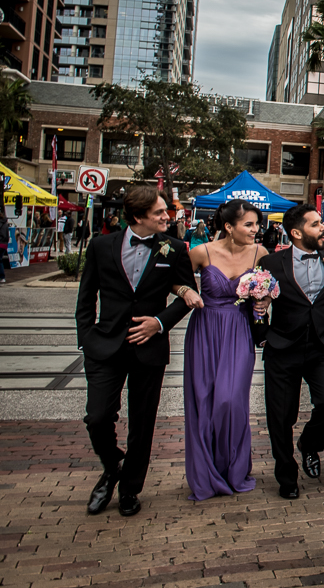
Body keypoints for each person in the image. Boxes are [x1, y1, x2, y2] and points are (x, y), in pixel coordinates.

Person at [74, 186, 196, 517]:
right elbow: (86, 297)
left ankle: (130, 489)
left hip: (149, 348)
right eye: (159, 212)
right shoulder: (101, 246)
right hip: (105, 345)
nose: (166, 217)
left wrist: (159, 322)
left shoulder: (174, 248)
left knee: (142, 423)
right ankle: (113, 465)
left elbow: (188, 295)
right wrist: (86, 337)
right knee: (97, 417)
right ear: (138, 217)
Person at [257, 204, 324, 499]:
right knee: (281, 416)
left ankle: (310, 443)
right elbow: (258, 299)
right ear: (297, 232)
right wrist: (262, 335)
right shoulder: (272, 263)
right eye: (315, 224)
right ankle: (286, 475)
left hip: (322, 347)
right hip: (283, 347)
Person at [180, 200, 267, 501]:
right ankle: (206, 473)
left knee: (230, 401)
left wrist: (267, 300)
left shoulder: (260, 253)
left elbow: (271, 288)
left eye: (257, 224)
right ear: (229, 227)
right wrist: (184, 289)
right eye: (249, 225)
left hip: (239, 330)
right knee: (203, 401)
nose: (256, 230)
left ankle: (233, 468)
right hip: (205, 330)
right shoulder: (201, 252)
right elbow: (174, 279)